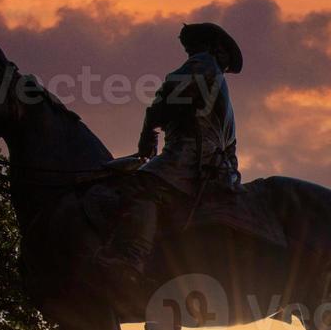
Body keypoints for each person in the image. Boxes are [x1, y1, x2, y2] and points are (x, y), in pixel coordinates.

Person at [97, 21, 244, 284]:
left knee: (143, 185)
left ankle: (132, 256)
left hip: (190, 156)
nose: (190, 53)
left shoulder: (203, 64)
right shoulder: (220, 88)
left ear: (211, 48)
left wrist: (147, 131)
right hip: (213, 164)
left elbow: (167, 100)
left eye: (194, 46)